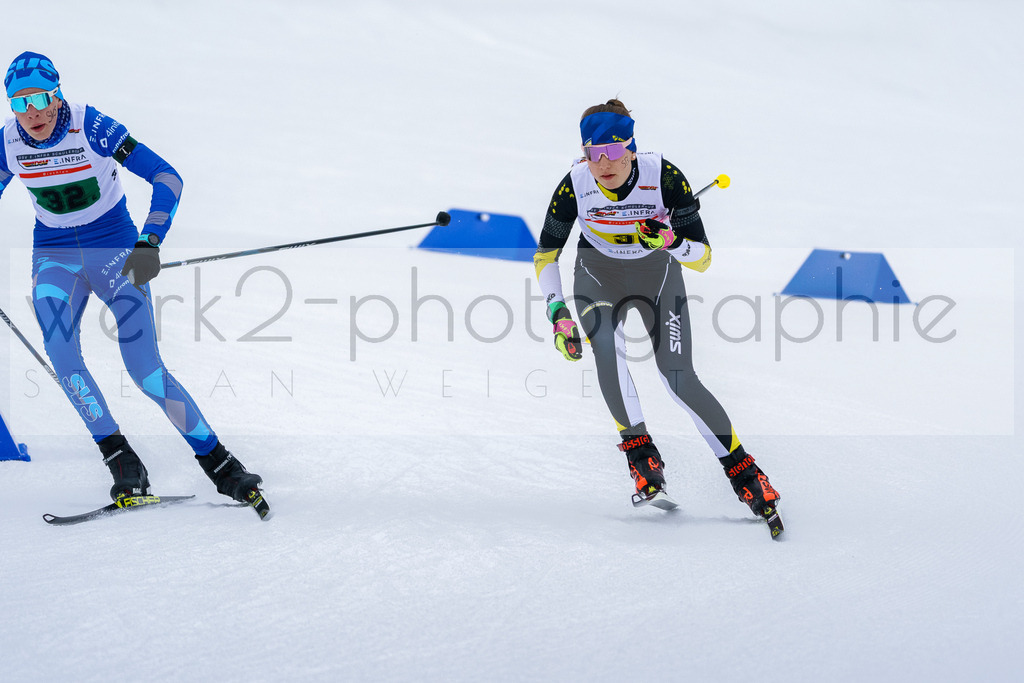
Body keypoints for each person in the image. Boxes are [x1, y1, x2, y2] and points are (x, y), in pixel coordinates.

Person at [0, 51, 266, 511]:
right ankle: (120, 459)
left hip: (114, 249)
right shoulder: (8, 142)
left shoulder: (92, 126)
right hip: (55, 255)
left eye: (41, 98)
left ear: (57, 94)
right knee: (61, 353)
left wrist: (150, 241)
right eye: (19, 103)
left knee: (145, 370)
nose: (32, 113)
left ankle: (219, 463)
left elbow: (167, 177)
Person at [534, 98, 780, 519]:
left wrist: (670, 242)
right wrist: (558, 313)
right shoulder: (574, 184)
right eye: (594, 154)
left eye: (614, 151)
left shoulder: (665, 177)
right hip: (598, 275)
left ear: (632, 147)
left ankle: (745, 474)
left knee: (679, 377)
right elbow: (545, 256)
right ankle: (642, 459)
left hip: (657, 276)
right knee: (607, 351)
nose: (605, 163)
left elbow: (702, 259)